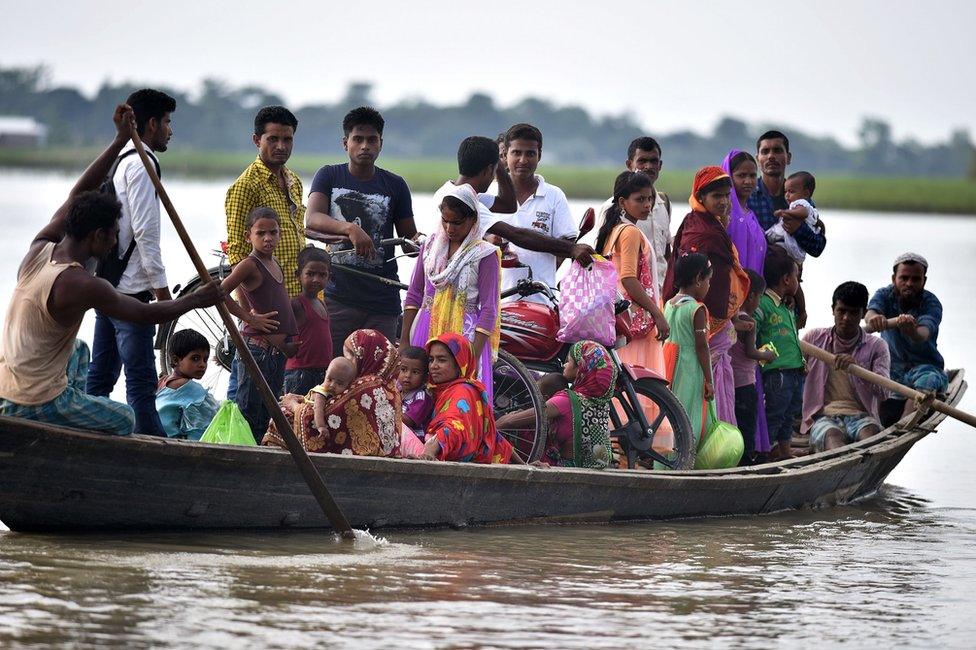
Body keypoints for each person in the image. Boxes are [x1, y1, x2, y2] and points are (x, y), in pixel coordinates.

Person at [0, 105, 223, 435]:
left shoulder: (40, 248)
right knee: (126, 417)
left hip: (8, 385)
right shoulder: (80, 284)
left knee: (80, 350)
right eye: (115, 236)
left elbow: (78, 194)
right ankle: (59, 425)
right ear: (97, 236)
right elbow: (144, 314)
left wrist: (120, 141)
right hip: (35, 401)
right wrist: (196, 299)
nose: (116, 244)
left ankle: (72, 415)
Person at [86, 89, 177, 436]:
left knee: (101, 376)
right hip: (130, 294)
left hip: (108, 286)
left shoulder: (124, 159)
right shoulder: (142, 162)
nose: (169, 130)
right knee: (141, 384)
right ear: (151, 124)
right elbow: (145, 233)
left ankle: (88, 439)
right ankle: (156, 451)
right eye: (167, 122)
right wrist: (164, 295)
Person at [305, 106, 417, 352]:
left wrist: (429, 242)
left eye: (371, 140)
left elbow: (410, 241)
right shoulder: (329, 175)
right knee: (330, 371)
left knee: (379, 376)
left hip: (382, 299)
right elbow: (312, 220)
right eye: (358, 139)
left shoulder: (396, 185)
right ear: (346, 143)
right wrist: (350, 229)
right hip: (337, 295)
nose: (365, 146)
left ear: (380, 144)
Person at [432, 135, 594, 279]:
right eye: (495, 170)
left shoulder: (457, 192)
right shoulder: (463, 201)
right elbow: (515, 234)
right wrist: (572, 249)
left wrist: (500, 166)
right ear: (489, 170)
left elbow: (508, 205)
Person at [662, 166, 749, 426]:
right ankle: (710, 437)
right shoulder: (701, 230)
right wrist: (719, 314)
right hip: (706, 319)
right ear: (701, 197)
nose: (723, 202)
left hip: (711, 316)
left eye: (726, 196)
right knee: (709, 383)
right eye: (716, 197)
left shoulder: (702, 222)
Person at [401, 184, 501, 399]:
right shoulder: (429, 247)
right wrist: (404, 341)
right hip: (426, 329)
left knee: (460, 400)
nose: (449, 228)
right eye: (445, 221)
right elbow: (414, 294)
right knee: (420, 398)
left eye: (457, 222)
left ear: (473, 220)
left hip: (464, 337)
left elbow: (489, 310)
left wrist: (472, 356)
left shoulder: (484, 254)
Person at [220, 207, 298, 441]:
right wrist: (250, 318)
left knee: (267, 412)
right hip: (258, 350)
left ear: (280, 234)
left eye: (273, 232)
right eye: (261, 233)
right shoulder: (250, 264)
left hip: (275, 354)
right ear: (248, 236)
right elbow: (220, 293)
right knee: (249, 411)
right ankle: (243, 457)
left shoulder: (274, 263)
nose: (268, 238)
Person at [265, 329, 402, 457]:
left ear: (364, 357)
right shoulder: (390, 389)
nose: (347, 362)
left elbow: (321, 419)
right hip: (378, 459)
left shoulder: (365, 386)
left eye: (351, 356)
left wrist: (293, 405)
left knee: (283, 415)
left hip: (351, 460)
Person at [721, 149, 773, 456]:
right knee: (738, 376)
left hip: (754, 303)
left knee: (751, 374)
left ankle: (754, 445)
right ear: (727, 176)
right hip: (735, 306)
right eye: (740, 175)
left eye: (752, 175)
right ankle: (738, 448)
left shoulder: (750, 214)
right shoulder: (728, 217)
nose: (748, 181)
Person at [497, 340, 617, 469]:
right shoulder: (602, 404)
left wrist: (487, 428)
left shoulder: (568, 400)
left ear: (580, 368)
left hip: (568, 468)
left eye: (569, 361)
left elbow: (510, 422)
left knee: (521, 426)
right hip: (591, 468)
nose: (565, 365)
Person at [225, 105, 307, 296]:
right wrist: (249, 315)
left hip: (297, 293)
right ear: (257, 140)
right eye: (273, 139)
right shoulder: (246, 185)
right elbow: (237, 255)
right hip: (266, 298)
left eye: (287, 139)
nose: (281, 146)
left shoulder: (294, 181)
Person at [747, 131, 826, 327]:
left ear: (788, 157)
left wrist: (798, 228)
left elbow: (818, 247)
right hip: (753, 290)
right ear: (758, 158)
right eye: (765, 151)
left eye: (777, 150)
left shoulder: (802, 201)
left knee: (785, 354)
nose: (771, 156)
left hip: (787, 290)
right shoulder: (747, 196)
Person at [596, 171, 669, 374]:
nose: (647, 205)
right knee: (639, 390)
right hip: (635, 322)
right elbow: (628, 279)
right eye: (640, 199)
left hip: (619, 320)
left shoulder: (615, 230)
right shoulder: (629, 232)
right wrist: (657, 313)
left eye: (650, 198)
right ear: (622, 202)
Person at [802, 282, 890, 451]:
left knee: (870, 437)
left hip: (862, 417)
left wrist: (857, 370)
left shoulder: (877, 346)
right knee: (832, 437)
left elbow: (884, 392)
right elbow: (794, 370)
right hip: (823, 418)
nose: (846, 318)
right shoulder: (813, 339)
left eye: (854, 312)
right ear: (833, 309)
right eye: (841, 311)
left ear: (863, 313)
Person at [497, 124, 578, 304]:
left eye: (530, 153)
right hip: (496, 302)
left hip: (542, 300)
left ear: (539, 156)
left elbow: (567, 243)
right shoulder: (489, 195)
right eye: (516, 153)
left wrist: (544, 275)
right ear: (505, 156)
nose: (523, 160)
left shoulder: (554, 195)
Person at [865, 253, 947, 420]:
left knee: (928, 380)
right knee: (870, 376)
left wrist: (911, 331)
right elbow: (870, 313)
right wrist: (874, 319)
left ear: (924, 280)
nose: (909, 283)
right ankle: (871, 421)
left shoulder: (932, 303)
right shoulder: (884, 295)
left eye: (915, 279)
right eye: (904, 278)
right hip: (891, 367)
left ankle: (904, 424)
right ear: (894, 278)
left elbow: (922, 335)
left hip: (924, 366)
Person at [420, 333, 513, 464]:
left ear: (460, 363)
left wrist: (430, 450)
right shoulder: (445, 390)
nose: (433, 366)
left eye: (441, 360)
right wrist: (525, 464)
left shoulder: (462, 391)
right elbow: (493, 435)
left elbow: (454, 426)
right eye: (431, 360)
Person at [596, 137, 673, 295]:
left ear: (660, 165)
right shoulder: (613, 206)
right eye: (642, 161)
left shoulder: (664, 203)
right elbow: (605, 259)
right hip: (630, 300)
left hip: (660, 296)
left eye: (653, 161)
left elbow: (665, 253)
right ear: (629, 164)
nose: (648, 166)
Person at [662, 253, 714, 449]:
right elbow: (702, 346)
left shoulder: (668, 304)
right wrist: (709, 380)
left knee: (671, 413)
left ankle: (669, 456)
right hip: (690, 367)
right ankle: (688, 456)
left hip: (669, 365)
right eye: (708, 280)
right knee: (690, 412)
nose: (709, 286)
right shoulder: (697, 309)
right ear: (698, 279)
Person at [755, 252, 803, 460]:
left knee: (790, 414)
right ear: (786, 279)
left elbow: (792, 337)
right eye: (797, 278)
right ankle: (768, 453)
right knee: (775, 414)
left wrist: (802, 361)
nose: (798, 283)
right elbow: (753, 332)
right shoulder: (763, 303)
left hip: (795, 369)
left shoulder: (786, 304)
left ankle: (784, 450)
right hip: (778, 372)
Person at [730, 270, 777, 464]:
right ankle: (746, 464)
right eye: (759, 296)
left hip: (730, 381)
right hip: (745, 384)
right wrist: (768, 355)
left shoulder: (732, 318)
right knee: (747, 427)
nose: (759, 301)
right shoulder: (748, 321)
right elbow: (750, 352)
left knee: (735, 424)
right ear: (751, 296)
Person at [283, 247, 333, 396]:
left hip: (322, 372)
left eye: (322, 275)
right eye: (310, 274)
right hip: (299, 373)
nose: (316, 279)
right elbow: (279, 329)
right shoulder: (296, 304)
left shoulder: (322, 304)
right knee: (296, 414)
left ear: (328, 277)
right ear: (298, 275)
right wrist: (285, 347)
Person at [155, 329, 219, 440]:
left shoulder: (161, 381)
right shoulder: (189, 387)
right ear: (176, 360)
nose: (202, 365)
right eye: (195, 358)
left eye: (205, 359)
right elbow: (212, 414)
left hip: (155, 436)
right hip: (172, 443)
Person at [768, 171, 823, 265]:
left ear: (806, 194)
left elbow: (817, 248)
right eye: (786, 191)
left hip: (790, 257)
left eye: (791, 191)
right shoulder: (749, 195)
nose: (787, 195)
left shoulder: (802, 202)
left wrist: (785, 214)